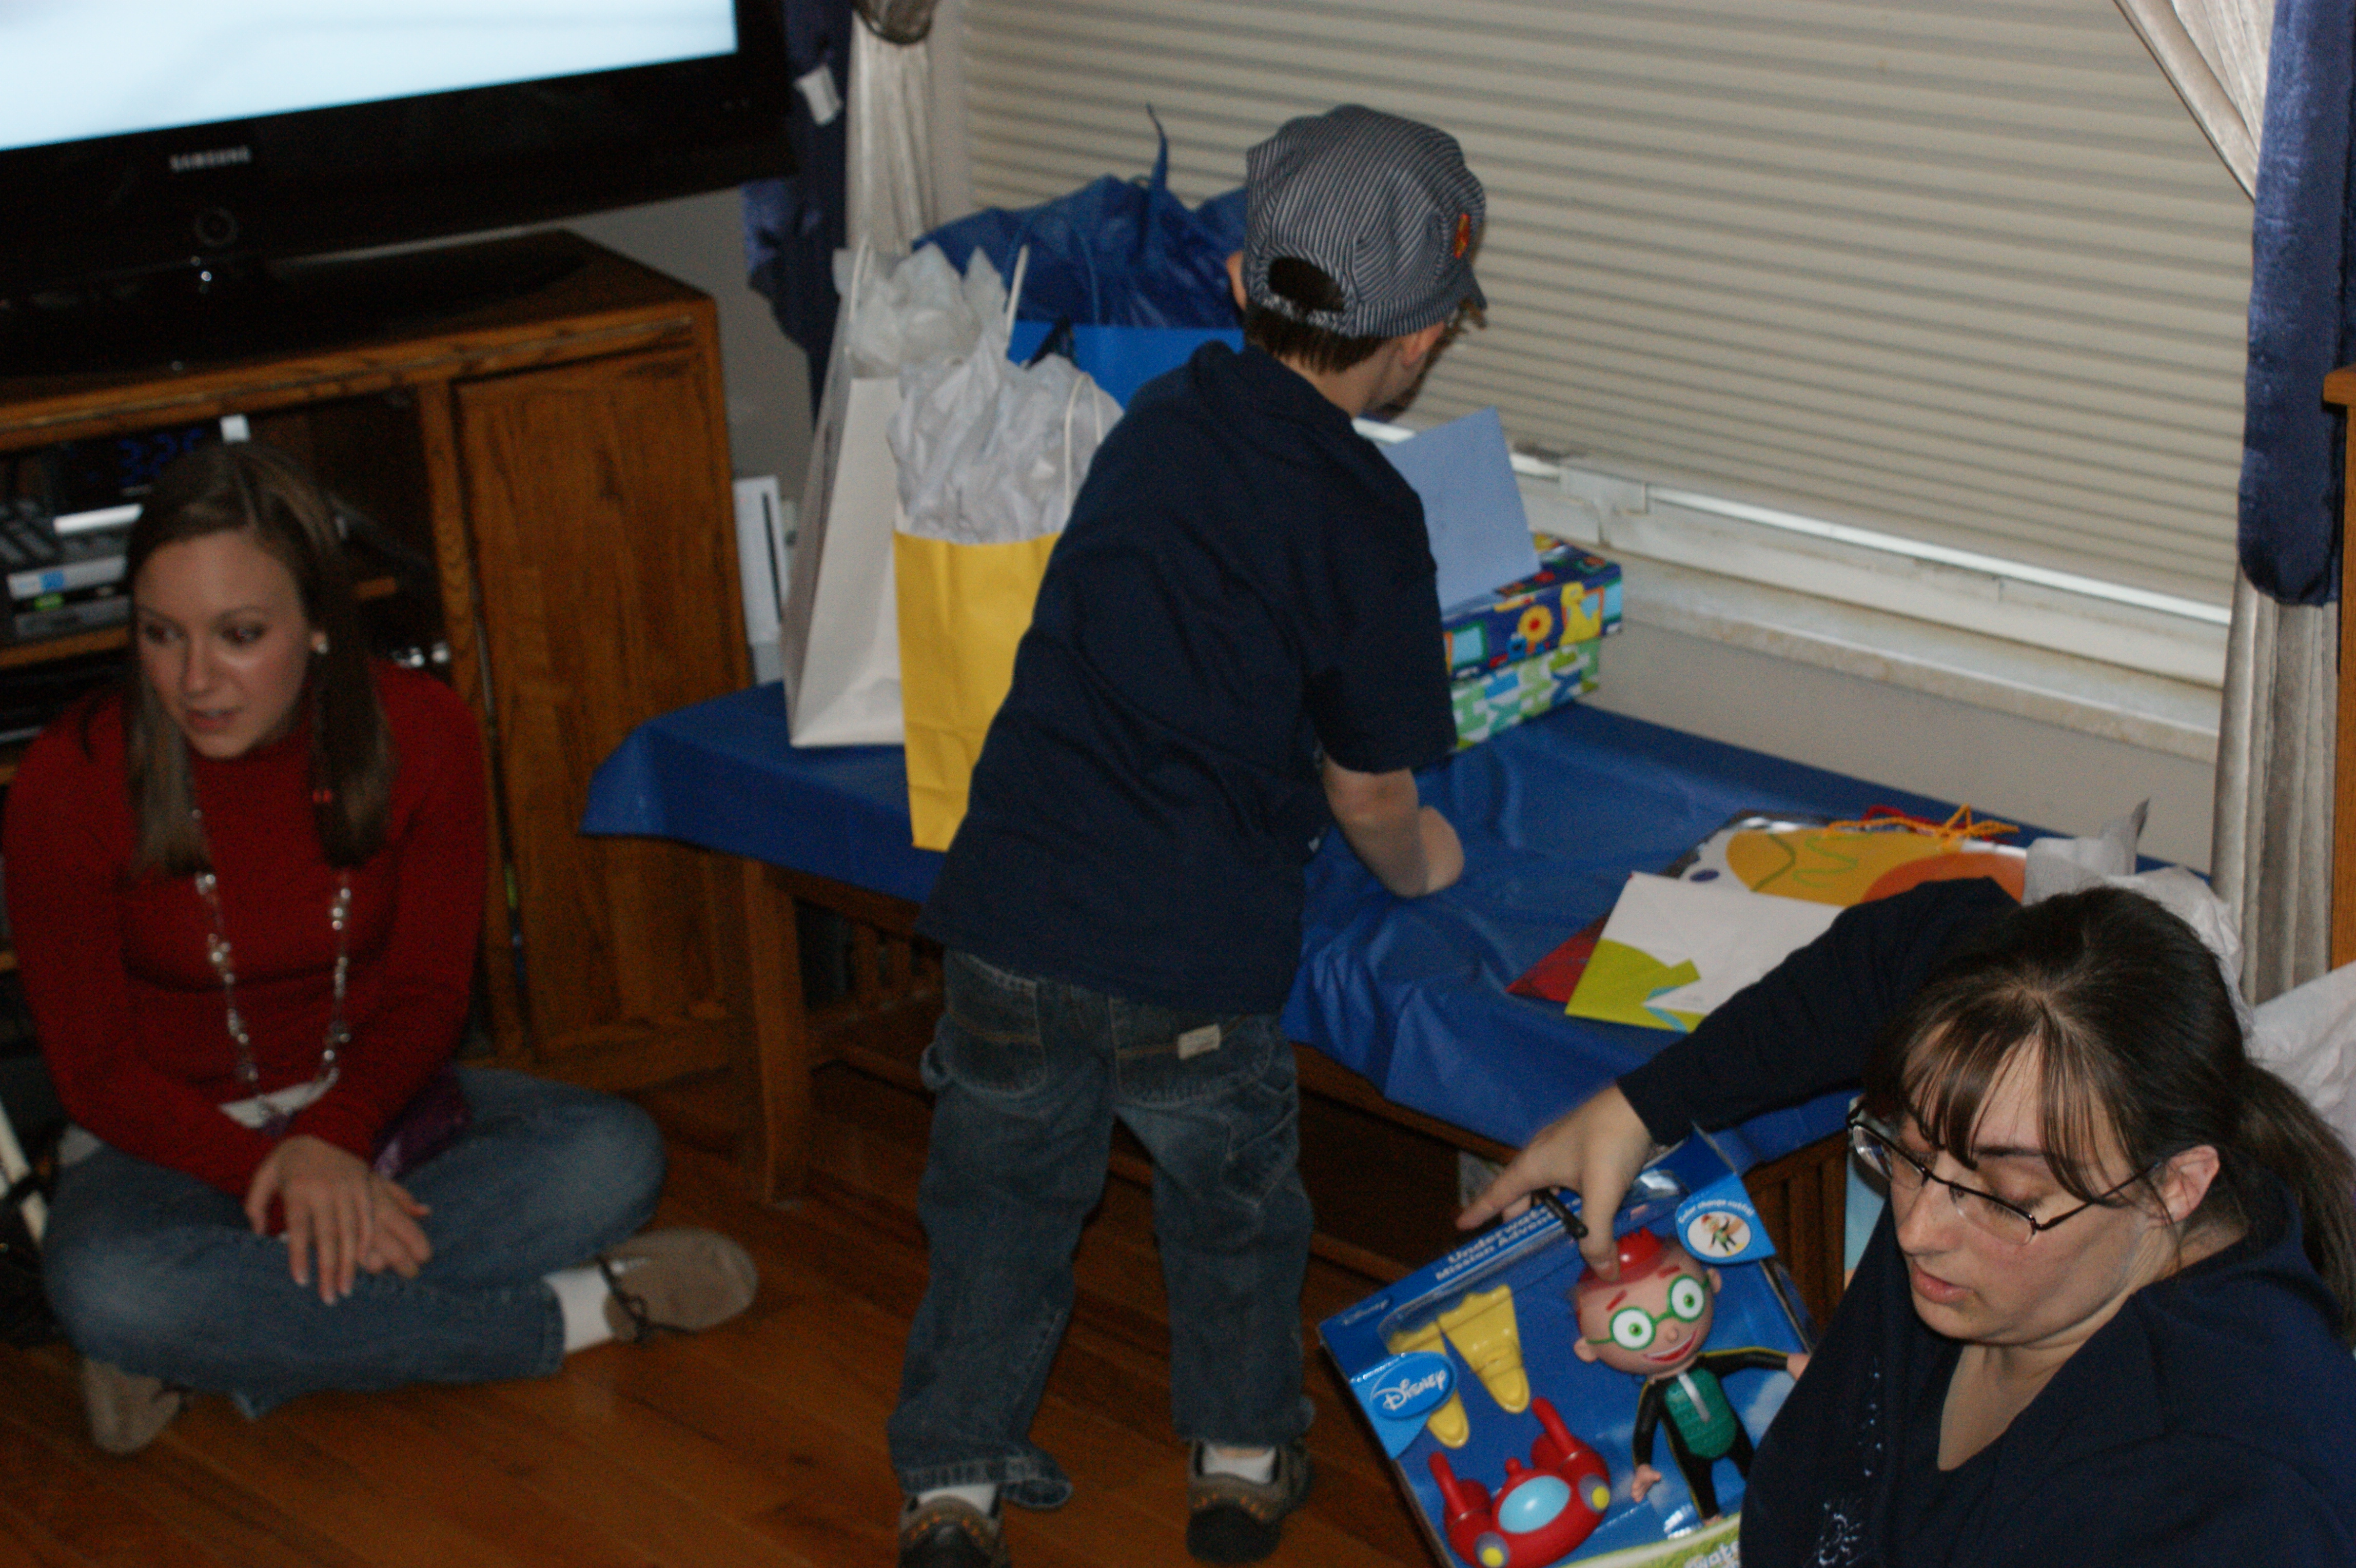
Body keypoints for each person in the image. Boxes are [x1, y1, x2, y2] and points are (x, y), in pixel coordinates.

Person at [892, 105, 1483, 1568]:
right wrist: (1431, 861)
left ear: (1234, 280)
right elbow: (1369, 795)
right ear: (1421, 340)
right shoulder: (1369, 518)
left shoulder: (1154, 420)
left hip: (1010, 917)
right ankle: (1237, 1460)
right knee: (1230, 1216)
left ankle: (952, 1482)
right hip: (1193, 956)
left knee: (997, 1210)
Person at [6, 442, 759, 1457]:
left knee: (612, 1155)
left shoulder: (425, 732)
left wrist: (335, 1137)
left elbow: (427, 998)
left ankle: (211, 1342)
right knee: (108, 1283)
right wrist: (283, 1175)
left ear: (319, 623)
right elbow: (96, 1073)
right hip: (164, 1141)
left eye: (240, 634)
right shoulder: (71, 778)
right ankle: (576, 1312)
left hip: (373, 1107)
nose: (194, 679)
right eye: (159, 633)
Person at [1462, 881, 2356, 1563]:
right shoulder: (2002, 1071)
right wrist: (1639, 1107)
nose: (1920, 1228)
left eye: (2005, 1197)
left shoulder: (2233, 1497)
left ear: (2175, 1187)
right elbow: (1906, 943)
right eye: (1904, 1147)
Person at [1568, 1226, 1804, 1522]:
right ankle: (1712, 1519)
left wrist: (1789, 1361)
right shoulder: (1656, 1394)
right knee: (1701, 1486)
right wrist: (1643, 1466)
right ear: (1589, 1349)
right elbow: (1644, 1432)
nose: (1671, 1333)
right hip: (1691, 1451)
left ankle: (1776, 1497)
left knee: (1753, 1466)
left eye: (1687, 1300)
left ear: (1712, 1282)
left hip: (1732, 1432)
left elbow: (1746, 1358)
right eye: (1635, 1329)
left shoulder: (1707, 1365)